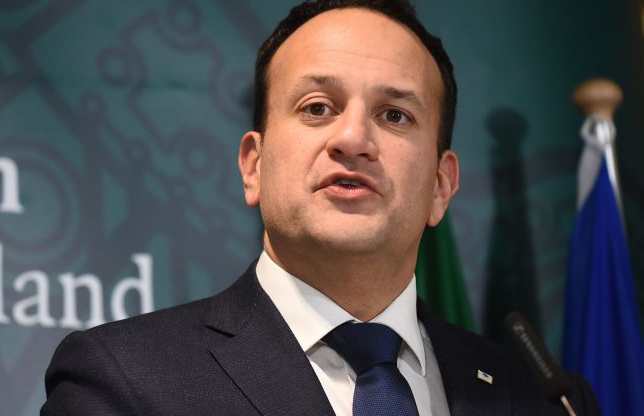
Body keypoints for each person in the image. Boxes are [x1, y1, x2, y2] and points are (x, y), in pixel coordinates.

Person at [42, 1, 599, 415]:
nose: (353, 137)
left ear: (440, 185)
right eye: (317, 108)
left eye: (395, 115)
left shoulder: (543, 399)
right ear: (253, 165)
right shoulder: (123, 382)